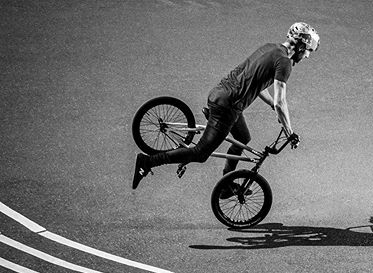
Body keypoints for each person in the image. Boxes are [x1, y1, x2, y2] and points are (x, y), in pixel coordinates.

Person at [132, 22, 319, 190]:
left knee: (243, 138)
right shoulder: (284, 63)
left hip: (220, 94)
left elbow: (257, 84)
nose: (307, 56)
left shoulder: (270, 48)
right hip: (227, 107)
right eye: (308, 51)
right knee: (200, 153)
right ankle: (147, 162)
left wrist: (272, 106)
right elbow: (281, 101)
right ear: (301, 46)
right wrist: (289, 131)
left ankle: (227, 185)